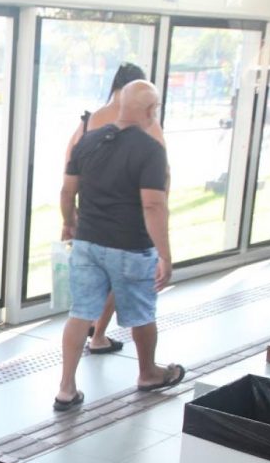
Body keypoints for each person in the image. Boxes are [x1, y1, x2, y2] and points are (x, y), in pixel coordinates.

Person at [55, 81, 185, 413]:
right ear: (151, 111)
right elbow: (153, 205)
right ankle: (148, 373)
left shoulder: (88, 141)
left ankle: (66, 389)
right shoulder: (150, 149)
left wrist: (69, 223)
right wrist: (165, 255)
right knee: (142, 313)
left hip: (87, 242)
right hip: (130, 246)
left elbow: (67, 191)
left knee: (80, 313)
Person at [62, 62, 167, 354]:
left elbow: (69, 175)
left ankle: (84, 352)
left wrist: (68, 220)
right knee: (131, 293)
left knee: (82, 305)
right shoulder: (147, 127)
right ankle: (109, 341)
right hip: (130, 226)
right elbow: (160, 176)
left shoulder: (89, 122)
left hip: (90, 222)